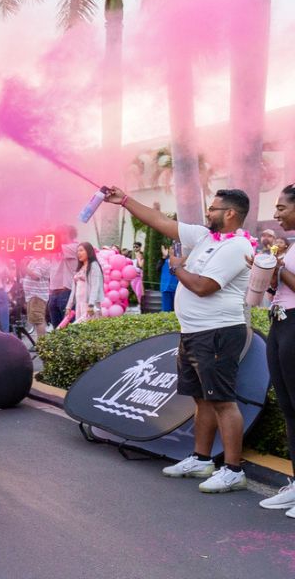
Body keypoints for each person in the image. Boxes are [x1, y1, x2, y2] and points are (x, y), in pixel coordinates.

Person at [104, 187, 254, 493]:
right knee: (202, 398)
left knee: (223, 401)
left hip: (218, 332)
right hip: (193, 332)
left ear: (230, 214)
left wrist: (176, 267)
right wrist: (125, 201)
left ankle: (234, 470)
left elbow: (203, 287)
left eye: (214, 209)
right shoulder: (204, 237)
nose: (208, 213)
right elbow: (160, 220)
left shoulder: (236, 247)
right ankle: (201, 459)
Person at [259, 184, 295, 514]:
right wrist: (271, 275)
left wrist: (280, 269)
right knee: (288, 408)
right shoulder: (291, 245)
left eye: (282, 207)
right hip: (280, 323)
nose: (276, 213)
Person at [62, 242, 104, 324]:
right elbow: (74, 291)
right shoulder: (80, 268)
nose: (79, 253)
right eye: (77, 251)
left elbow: (95, 286)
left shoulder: (93, 266)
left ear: (89, 251)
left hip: (89, 305)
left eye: (81, 250)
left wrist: (91, 305)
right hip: (79, 304)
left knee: (90, 330)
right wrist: (69, 306)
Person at [47, 226, 80, 328]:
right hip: (53, 293)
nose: (59, 237)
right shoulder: (56, 250)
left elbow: (52, 246)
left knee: (69, 329)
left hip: (66, 293)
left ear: (70, 234)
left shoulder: (75, 247)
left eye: (62, 234)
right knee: (56, 329)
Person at [22, 255, 51, 341]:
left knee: (39, 320)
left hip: (37, 295)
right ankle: (42, 343)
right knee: (37, 320)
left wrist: (24, 266)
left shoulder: (43, 261)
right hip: (32, 296)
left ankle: (42, 345)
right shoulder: (34, 260)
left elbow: (36, 276)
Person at [159, 244, 180, 312]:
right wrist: (163, 257)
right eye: (171, 249)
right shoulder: (164, 260)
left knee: (177, 311)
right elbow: (157, 268)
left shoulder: (180, 260)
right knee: (166, 311)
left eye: (174, 249)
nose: (172, 251)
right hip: (166, 288)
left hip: (176, 289)